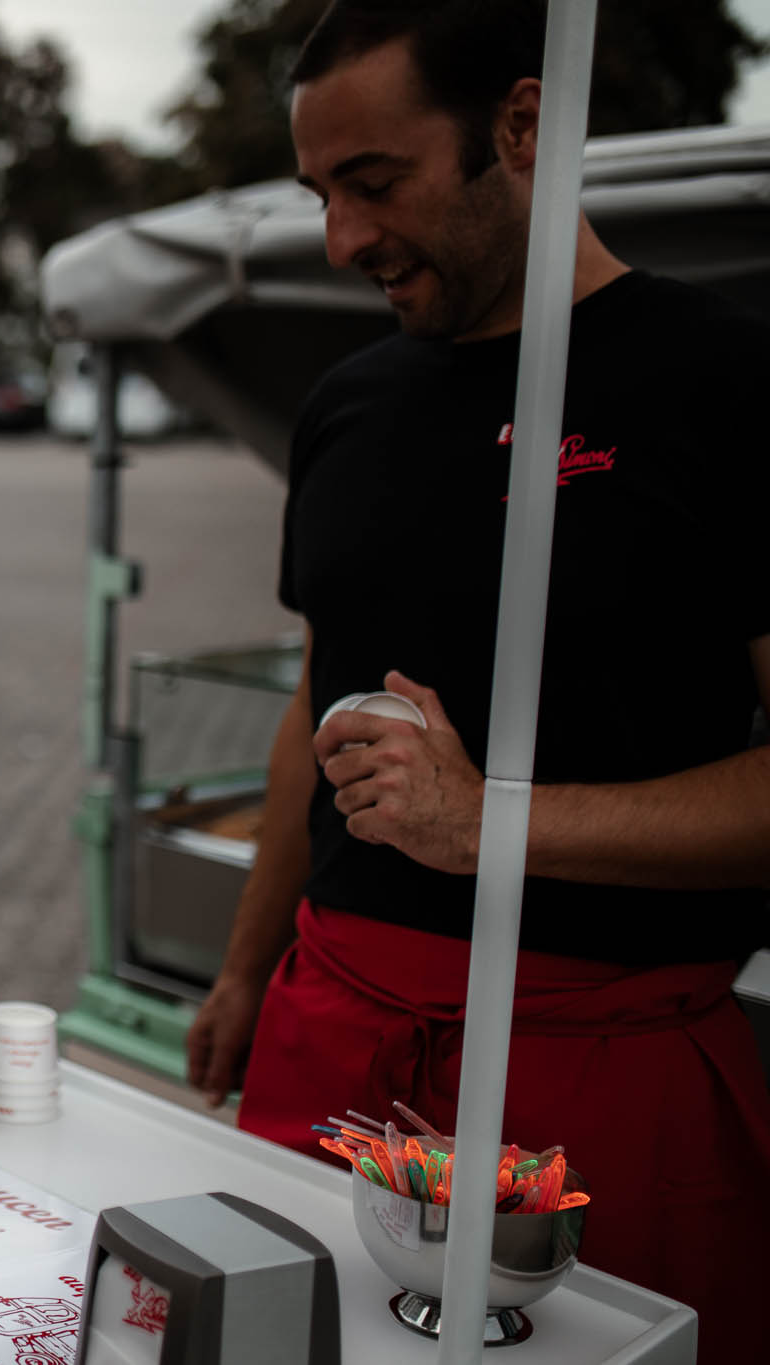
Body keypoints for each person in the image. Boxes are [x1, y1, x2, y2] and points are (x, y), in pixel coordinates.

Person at [181, 0, 770, 1354]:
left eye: (374, 182)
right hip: (329, 1036)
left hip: (608, 1071)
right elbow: (314, 701)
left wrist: (488, 820)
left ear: (521, 124)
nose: (339, 241)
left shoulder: (727, 385)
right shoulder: (348, 404)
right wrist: (244, 969)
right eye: (320, 193)